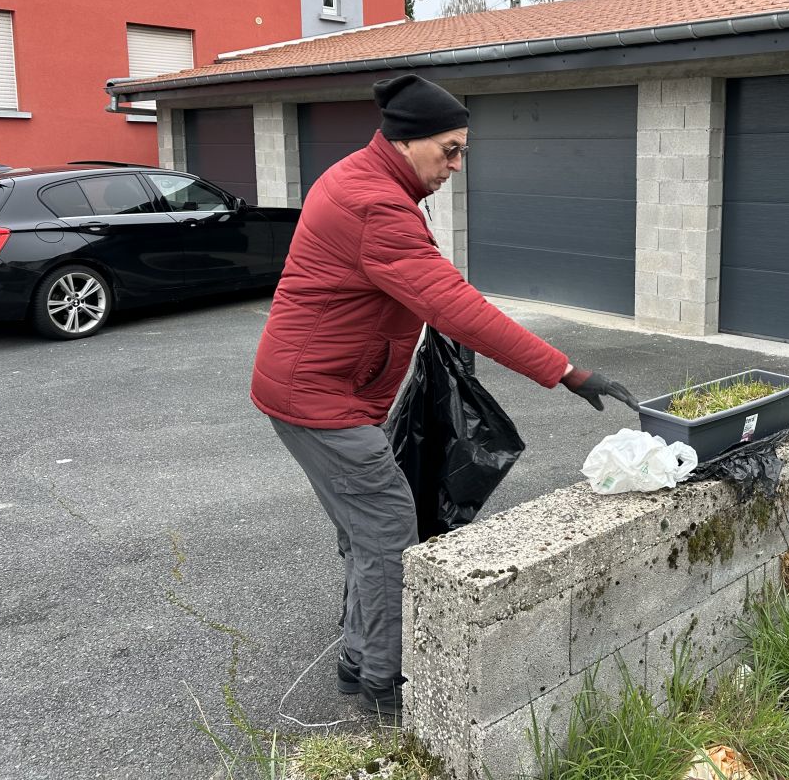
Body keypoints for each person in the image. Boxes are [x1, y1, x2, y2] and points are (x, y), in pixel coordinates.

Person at [250, 74, 638, 724]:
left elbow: (417, 291)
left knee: (366, 528)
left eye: (463, 151)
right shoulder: (375, 204)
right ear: (406, 141)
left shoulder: (369, 178)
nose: (457, 165)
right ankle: (382, 679)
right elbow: (453, 303)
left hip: (318, 385)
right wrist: (566, 370)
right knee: (387, 529)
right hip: (319, 398)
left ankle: (359, 656)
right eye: (449, 149)